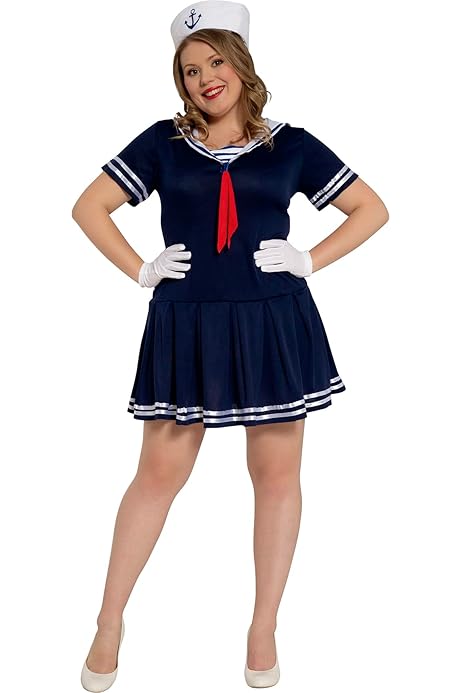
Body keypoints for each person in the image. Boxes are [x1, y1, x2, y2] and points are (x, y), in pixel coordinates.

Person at [72, 1, 389, 689]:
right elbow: (88, 207)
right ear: (180, 82)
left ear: (241, 64)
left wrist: (309, 258)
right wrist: (141, 269)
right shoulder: (162, 143)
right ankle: (108, 620)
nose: (205, 78)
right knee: (158, 475)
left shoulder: (291, 145)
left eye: (216, 61)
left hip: (272, 321)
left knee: (275, 476)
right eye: (190, 70)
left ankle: (263, 625)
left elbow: (372, 208)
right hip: (187, 320)